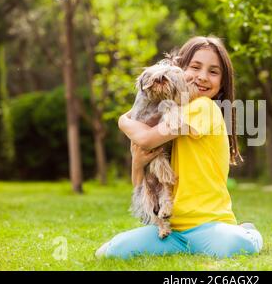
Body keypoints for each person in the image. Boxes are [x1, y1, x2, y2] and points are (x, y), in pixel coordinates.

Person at [96, 36, 263, 259]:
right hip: (171, 230)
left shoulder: (204, 107)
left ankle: (249, 232)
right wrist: (137, 164)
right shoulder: (169, 112)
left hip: (210, 225)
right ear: (177, 70)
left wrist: (122, 121)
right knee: (110, 253)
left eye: (213, 72)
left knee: (234, 245)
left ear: (222, 82)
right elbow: (144, 187)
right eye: (195, 67)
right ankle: (184, 245)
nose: (202, 77)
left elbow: (145, 138)